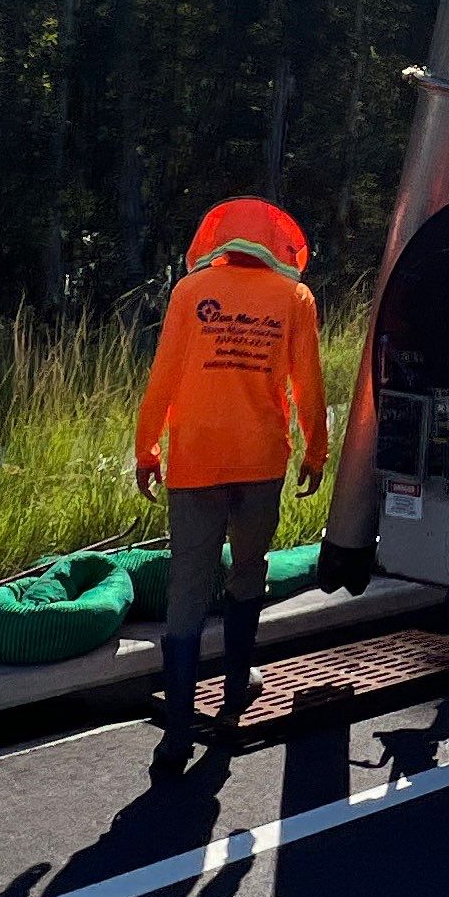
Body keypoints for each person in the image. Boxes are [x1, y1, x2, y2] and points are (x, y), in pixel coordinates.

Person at [131, 197, 332, 769]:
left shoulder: (189, 294)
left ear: (217, 239)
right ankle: (237, 686)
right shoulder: (294, 298)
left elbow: (163, 376)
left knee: (187, 593)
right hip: (261, 462)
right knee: (248, 572)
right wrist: (316, 452)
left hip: (195, 464)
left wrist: (147, 449)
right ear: (278, 244)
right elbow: (309, 385)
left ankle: (174, 736)